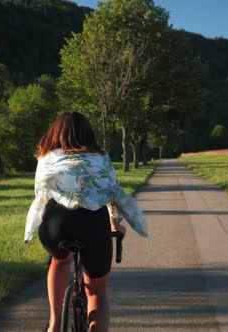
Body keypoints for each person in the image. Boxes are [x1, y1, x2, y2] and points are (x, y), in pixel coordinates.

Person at [23, 111, 147, 332]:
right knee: (96, 291)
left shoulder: (46, 156)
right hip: (92, 224)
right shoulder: (100, 158)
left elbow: (41, 193)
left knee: (59, 260)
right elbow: (111, 193)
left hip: (56, 225)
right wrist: (115, 223)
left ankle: (54, 324)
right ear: (88, 134)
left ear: (55, 133)